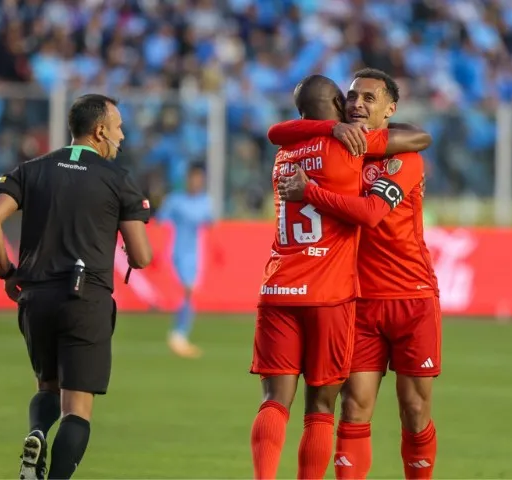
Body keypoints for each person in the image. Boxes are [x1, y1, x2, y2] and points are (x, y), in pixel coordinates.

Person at [250, 74, 432, 480]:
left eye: (368, 97)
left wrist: (315, 169)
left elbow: (275, 130)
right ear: (335, 105)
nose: (355, 105)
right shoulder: (348, 145)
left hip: (294, 286)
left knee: (275, 402)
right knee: (334, 408)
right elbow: (419, 138)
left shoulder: (288, 151)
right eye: (349, 98)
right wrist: (335, 131)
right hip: (340, 296)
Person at [0, 94, 153, 480]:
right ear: (99, 130)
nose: (122, 136)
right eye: (119, 127)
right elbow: (141, 257)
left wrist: (7, 271)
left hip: (35, 297)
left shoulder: (31, 169)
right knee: (77, 409)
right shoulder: (117, 179)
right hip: (84, 297)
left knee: (47, 387)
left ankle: (37, 432)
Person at [156, 162, 213, 358]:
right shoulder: (175, 200)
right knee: (186, 292)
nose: (197, 182)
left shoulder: (206, 201)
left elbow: (210, 223)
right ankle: (178, 335)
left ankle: (179, 335)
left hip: (195, 254)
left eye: (200, 178)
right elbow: (161, 223)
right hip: (176, 252)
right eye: (194, 178)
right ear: (187, 179)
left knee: (189, 294)